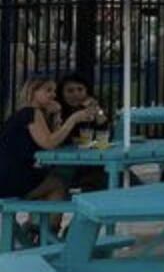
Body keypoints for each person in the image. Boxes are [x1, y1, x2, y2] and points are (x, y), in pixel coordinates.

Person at [0, 78, 97, 243]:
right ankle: (47, 235)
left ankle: (37, 232)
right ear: (33, 92)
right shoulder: (31, 113)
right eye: (48, 90)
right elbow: (49, 143)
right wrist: (72, 119)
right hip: (12, 179)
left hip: (9, 176)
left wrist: (57, 115)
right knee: (59, 184)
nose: (53, 95)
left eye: (53, 90)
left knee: (52, 184)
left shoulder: (23, 114)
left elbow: (52, 140)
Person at [56, 73, 110, 191]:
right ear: (62, 94)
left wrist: (98, 111)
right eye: (70, 91)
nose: (76, 94)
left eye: (80, 89)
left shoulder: (89, 110)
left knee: (114, 172)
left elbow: (104, 133)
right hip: (66, 163)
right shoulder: (57, 112)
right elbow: (65, 139)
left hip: (90, 160)